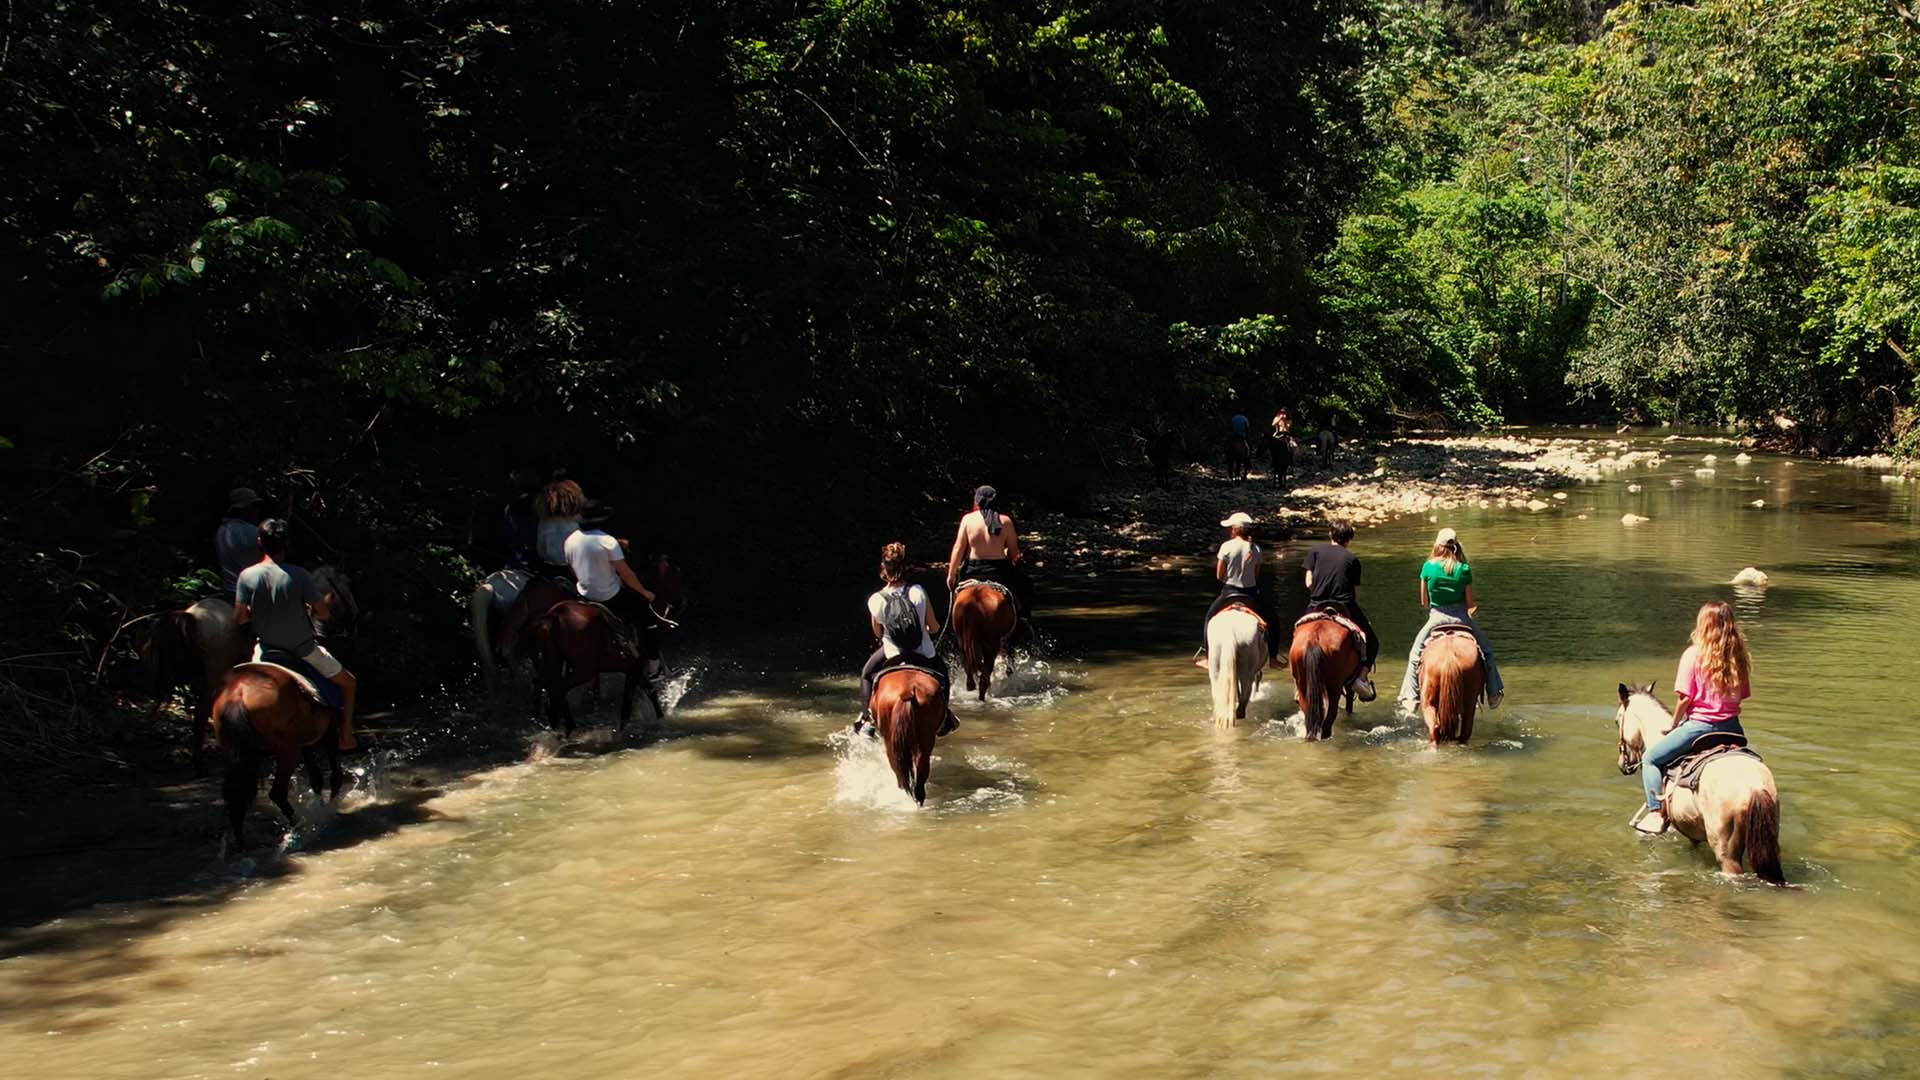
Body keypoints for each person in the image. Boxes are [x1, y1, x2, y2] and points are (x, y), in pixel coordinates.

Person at [234, 519, 358, 750]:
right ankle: (346, 736)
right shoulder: (300, 575)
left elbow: (240, 618)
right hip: (302, 649)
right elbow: (323, 614)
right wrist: (313, 608)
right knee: (349, 683)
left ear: (260, 542)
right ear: (286, 544)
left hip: (264, 650)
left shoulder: (246, 576)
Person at [1631, 601, 1752, 835]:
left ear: (1703, 624)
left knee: (1650, 759)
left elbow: (1685, 699)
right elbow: (1742, 697)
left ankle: (1656, 812)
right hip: (1734, 728)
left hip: (1700, 726)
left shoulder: (1693, 654)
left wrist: (1673, 724)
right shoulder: (1739, 657)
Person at [1396, 527, 1504, 711]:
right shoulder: (1464, 569)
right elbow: (1469, 603)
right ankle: (1493, 693)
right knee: (1486, 651)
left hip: (1436, 618)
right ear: (1456, 546)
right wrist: (1471, 609)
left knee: (1415, 655)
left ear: (1438, 545)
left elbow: (1424, 602)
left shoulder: (1428, 567)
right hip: (1461, 617)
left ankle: (1410, 697)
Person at [859, 542, 957, 737]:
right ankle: (945, 717)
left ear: (884, 568)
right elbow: (934, 626)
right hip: (923, 653)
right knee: (944, 675)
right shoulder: (918, 591)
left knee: (866, 674)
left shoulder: (876, 599)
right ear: (905, 567)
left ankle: (867, 719)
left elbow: (878, 633)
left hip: (892, 654)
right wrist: (927, 629)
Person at [563, 501, 657, 662]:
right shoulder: (607, 541)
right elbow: (626, 573)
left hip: (583, 594)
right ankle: (654, 666)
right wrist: (645, 592)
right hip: (609, 595)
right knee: (648, 617)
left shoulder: (569, 540)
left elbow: (572, 570)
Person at [1301, 519, 1377, 700]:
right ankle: (1361, 678)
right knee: (1372, 641)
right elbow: (1355, 593)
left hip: (1316, 604)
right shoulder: (1352, 559)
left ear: (1330, 535)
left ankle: (1299, 682)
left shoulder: (1315, 552)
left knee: (1298, 634)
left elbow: (1309, 582)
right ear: (1349, 539)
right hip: (1343, 605)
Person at [1196, 511, 1281, 667]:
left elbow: (1219, 575)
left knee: (1209, 618)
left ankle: (1208, 658)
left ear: (1235, 530)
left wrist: (1230, 578)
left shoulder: (1226, 547)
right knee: (1273, 620)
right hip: (1250, 594)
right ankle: (1274, 658)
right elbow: (1256, 575)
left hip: (1229, 592)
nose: (1229, 531)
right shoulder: (1256, 549)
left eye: (1230, 528)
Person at [945, 485, 1033, 634]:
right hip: (999, 571)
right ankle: (1022, 618)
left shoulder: (967, 520)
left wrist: (951, 574)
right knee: (1026, 586)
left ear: (977, 501)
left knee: (954, 595)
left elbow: (958, 548)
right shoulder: (1005, 521)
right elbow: (1014, 554)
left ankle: (950, 626)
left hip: (972, 570)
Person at [214, 487, 267, 598]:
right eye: (254, 507)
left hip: (230, 592)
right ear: (246, 509)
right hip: (255, 593)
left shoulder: (221, 531)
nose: (257, 511)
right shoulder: (255, 532)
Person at [535, 472, 586, 577]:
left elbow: (541, 550)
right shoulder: (576, 520)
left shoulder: (544, 522)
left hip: (549, 568)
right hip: (574, 568)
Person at [500, 469, 542, 571]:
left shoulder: (512, 507)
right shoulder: (544, 504)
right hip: (540, 555)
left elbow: (509, 535)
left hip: (522, 556)